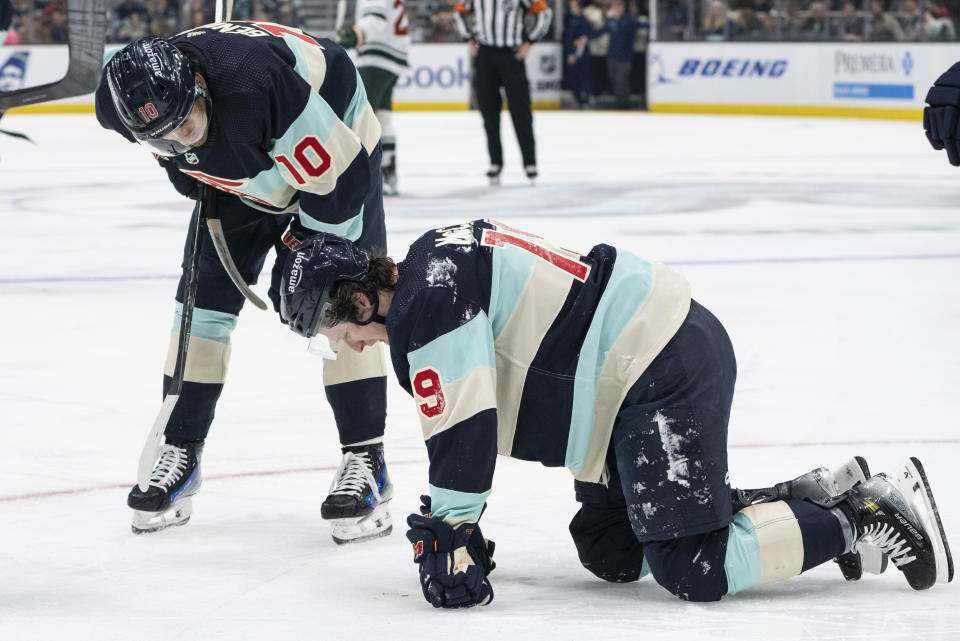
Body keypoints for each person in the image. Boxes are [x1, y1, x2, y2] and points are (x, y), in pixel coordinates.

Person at [278, 219, 953, 608]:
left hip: (656, 367)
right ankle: (808, 498)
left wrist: (454, 526)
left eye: (336, 332)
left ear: (359, 303)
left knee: (690, 564)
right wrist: (456, 516)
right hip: (638, 374)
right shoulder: (431, 264)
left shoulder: (428, 307)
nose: (348, 346)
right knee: (613, 549)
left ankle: (857, 513)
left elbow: (464, 431)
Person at [94, 22, 394, 544]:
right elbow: (178, 141)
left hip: (335, 149)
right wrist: (190, 152)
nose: (178, 142)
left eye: (185, 127)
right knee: (201, 302)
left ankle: (367, 458)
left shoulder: (259, 88)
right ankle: (181, 446)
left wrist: (310, 266)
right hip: (242, 156)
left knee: (343, 306)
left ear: (202, 90)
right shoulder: (124, 102)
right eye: (162, 139)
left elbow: (343, 183)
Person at [453, 0, 552, 185]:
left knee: (521, 112)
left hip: (511, 54)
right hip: (485, 55)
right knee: (489, 113)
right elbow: (459, 11)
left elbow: (544, 13)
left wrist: (530, 41)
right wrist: (468, 38)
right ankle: (495, 163)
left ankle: (529, 162)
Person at [337, 0, 411, 196]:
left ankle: (360, 178)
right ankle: (388, 172)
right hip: (393, 57)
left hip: (376, 57)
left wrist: (356, 34)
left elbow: (375, 19)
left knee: (358, 118)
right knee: (382, 117)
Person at [592, 0, 643, 110]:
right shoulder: (610, 21)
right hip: (612, 56)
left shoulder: (630, 20)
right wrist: (587, 37)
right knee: (614, 79)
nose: (615, 9)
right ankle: (620, 100)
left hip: (625, 57)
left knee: (622, 79)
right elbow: (600, 32)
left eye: (617, 6)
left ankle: (623, 103)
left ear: (622, 8)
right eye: (614, 7)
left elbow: (643, 25)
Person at [564, 0, 593, 109]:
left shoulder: (583, 20)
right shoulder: (571, 19)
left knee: (582, 77)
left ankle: (585, 100)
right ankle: (579, 99)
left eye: (574, 6)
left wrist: (574, 54)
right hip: (572, 53)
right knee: (573, 78)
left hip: (579, 55)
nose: (572, 8)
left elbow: (583, 39)